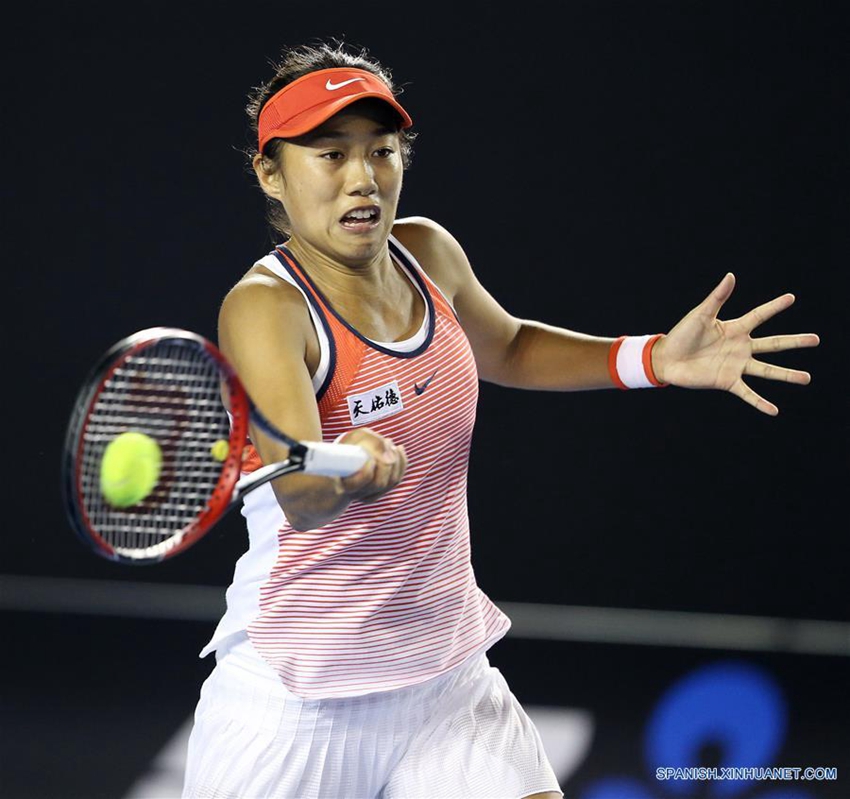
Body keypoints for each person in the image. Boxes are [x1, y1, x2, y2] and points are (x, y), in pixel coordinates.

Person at [181, 41, 819, 799]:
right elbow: (300, 491)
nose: (363, 177)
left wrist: (653, 358)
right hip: (298, 699)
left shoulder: (427, 251)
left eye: (381, 150)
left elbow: (509, 346)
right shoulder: (265, 308)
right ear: (271, 174)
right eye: (330, 154)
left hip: (444, 679)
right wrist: (348, 470)